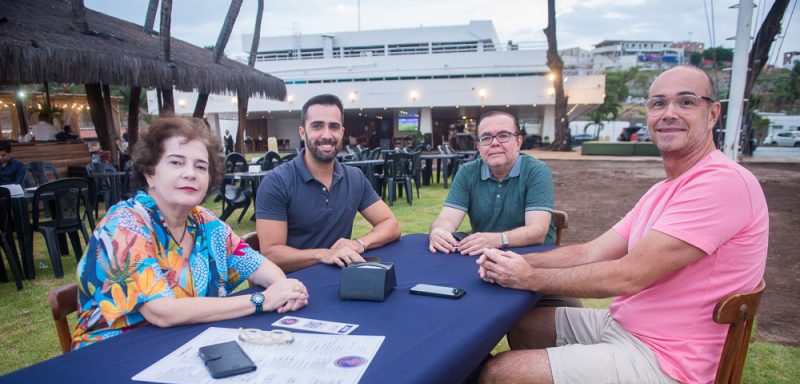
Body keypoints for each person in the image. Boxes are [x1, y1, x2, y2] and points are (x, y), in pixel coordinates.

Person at [396, 65, 769, 384]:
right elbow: (589, 251)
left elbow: (629, 275)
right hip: (632, 330)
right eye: (658, 103)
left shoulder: (720, 183)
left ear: (713, 113)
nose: (668, 113)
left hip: (670, 363)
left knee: (498, 376)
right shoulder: (666, 188)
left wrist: (529, 276)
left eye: (685, 101)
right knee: (526, 326)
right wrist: (511, 260)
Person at [72, 117, 308, 349]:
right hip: (116, 353)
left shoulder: (204, 222)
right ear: (150, 173)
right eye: (176, 162)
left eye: (200, 167)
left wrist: (284, 289)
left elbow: (260, 267)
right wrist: (263, 300)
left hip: (187, 343)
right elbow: (162, 312)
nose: (190, 173)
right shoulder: (125, 225)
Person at [254, 94, 400, 273]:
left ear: (342, 133)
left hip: (339, 280)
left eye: (334, 127)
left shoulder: (355, 178)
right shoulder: (277, 182)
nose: (327, 135)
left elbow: (391, 224)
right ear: (302, 132)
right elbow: (271, 254)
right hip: (290, 286)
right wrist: (323, 255)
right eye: (317, 126)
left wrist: (360, 243)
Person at [429, 111, 556, 256]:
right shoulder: (467, 172)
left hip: (535, 258)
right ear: (479, 146)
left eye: (503, 136)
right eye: (486, 138)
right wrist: (439, 231)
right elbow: (448, 218)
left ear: (518, 141)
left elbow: (537, 231)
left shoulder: (537, 171)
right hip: (484, 258)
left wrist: (498, 239)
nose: (495, 143)